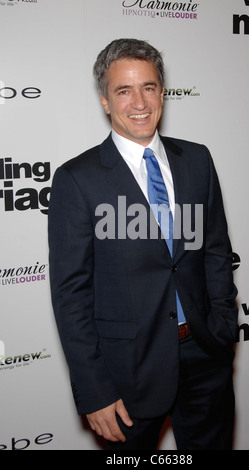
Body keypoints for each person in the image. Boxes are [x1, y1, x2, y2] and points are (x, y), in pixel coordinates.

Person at [48, 38, 238, 450]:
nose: (139, 101)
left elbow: (217, 253)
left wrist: (224, 328)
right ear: (104, 101)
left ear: (162, 93)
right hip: (126, 372)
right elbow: (70, 295)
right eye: (123, 90)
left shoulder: (198, 160)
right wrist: (94, 388)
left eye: (148, 87)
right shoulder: (77, 180)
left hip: (205, 353)